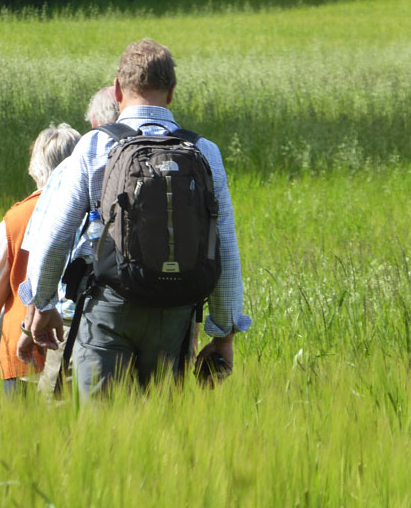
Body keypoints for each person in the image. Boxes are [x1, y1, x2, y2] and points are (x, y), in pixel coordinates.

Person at [18, 39, 252, 399]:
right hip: (176, 317)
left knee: (100, 435)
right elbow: (225, 247)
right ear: (171, 92)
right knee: (160, 435)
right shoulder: (204, 152)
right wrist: (223, 334)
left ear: (117, 90)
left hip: (108, 309)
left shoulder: (95, 145)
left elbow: (57, 234)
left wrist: (43, 303)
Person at [17, 86, 120, 396]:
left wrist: (30, 322)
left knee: (61, 413)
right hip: (162, 315)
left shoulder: (72, 167)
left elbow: (47, 248)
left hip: (77, 318)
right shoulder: (173, 156)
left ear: (93, 123)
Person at [0, 123, 81, 394]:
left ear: (35, 169)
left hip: (22, 356)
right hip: (81, 350)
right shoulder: (91, 212)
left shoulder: (16, 218)